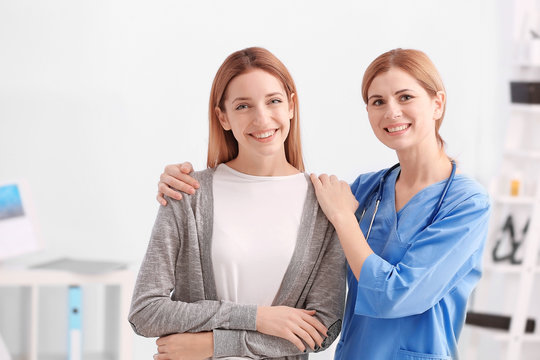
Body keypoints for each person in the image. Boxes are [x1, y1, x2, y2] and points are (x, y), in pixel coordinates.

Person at [156, 48, 491, 359]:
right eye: (377, 101)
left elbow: (394, 295)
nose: (391, 111)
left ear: (437, 103)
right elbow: (281, 194)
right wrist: (181, 181)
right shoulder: (368, 189)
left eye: (406, 97)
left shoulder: (467, 204)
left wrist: (344, 218)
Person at [128, 47, 346, 360]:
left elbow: (321, 330)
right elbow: (145, 311)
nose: (262, 118)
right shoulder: (188, 194)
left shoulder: (325, 204)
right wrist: (258, 317)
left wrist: (217, 345)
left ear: (291, 106)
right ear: (223, 117)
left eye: (273, 101)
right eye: (243, 106)